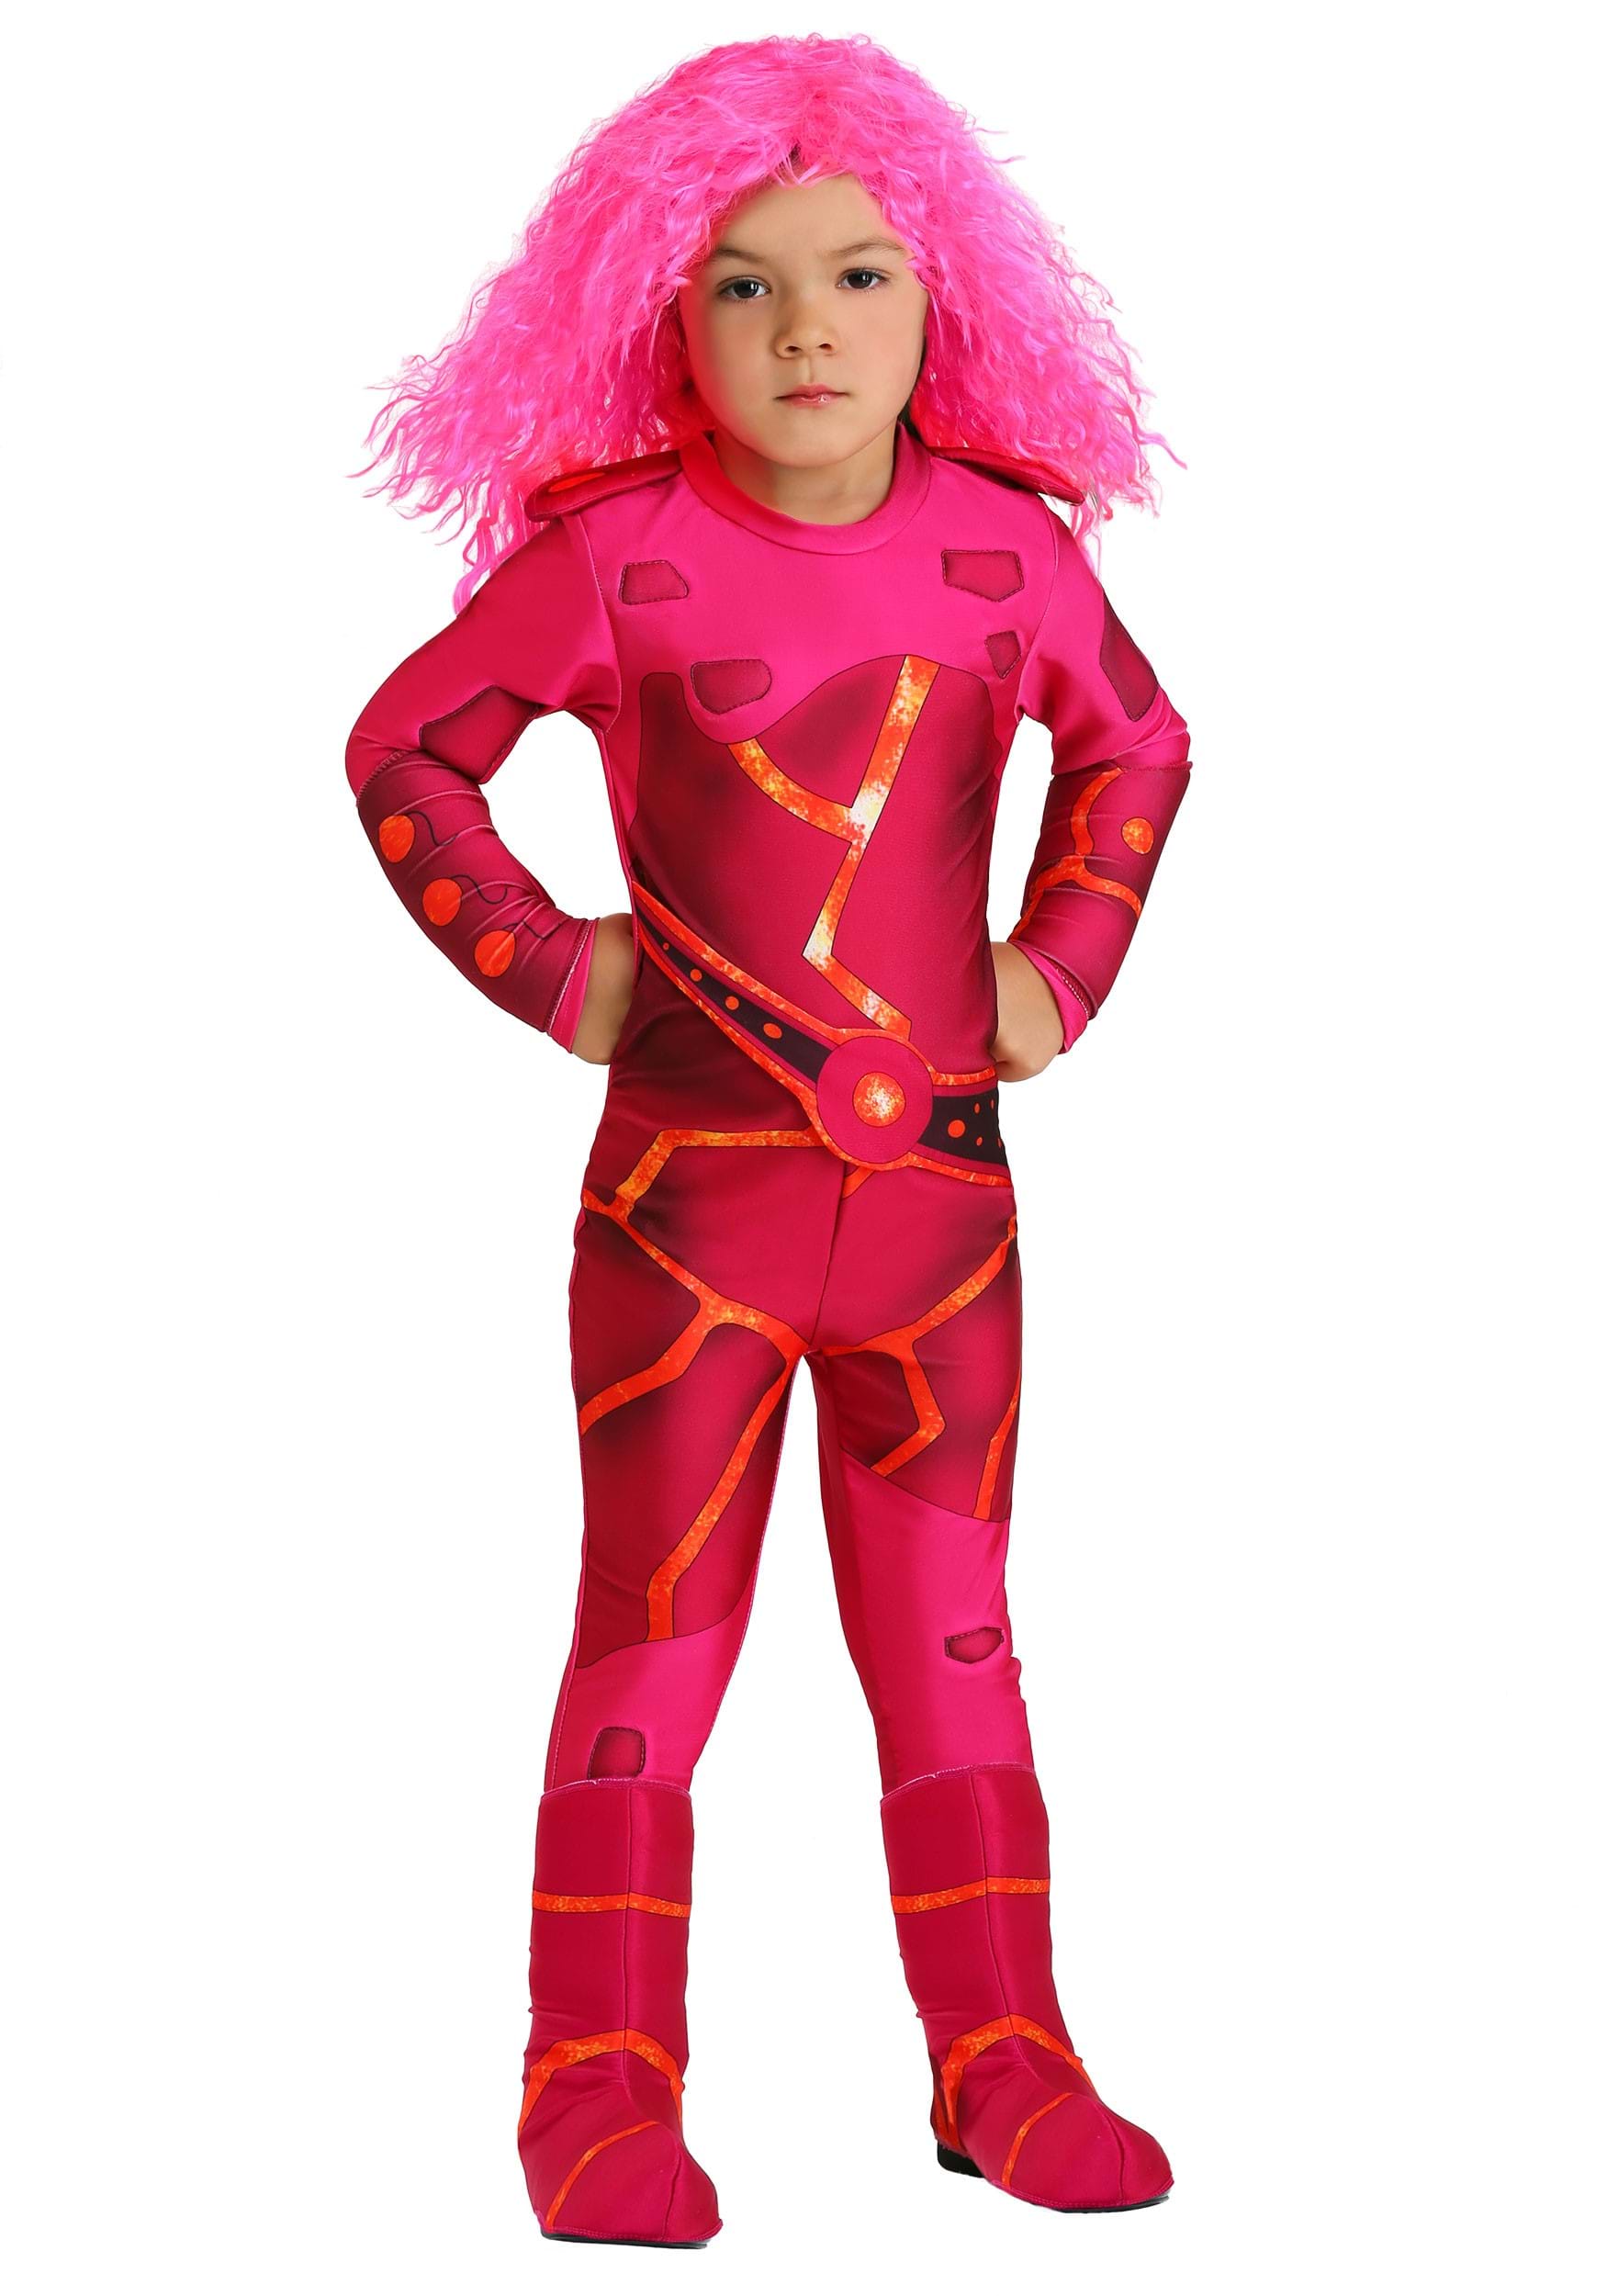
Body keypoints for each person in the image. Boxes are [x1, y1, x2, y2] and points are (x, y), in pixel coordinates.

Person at [344, 33, 1192, 2246]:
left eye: (854, 274)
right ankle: (594, 2085)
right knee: (649, 1641)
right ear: (653, 318)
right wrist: (555, 970)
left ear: (944, 303)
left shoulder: (1008, 560)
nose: (805, 326)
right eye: (740, 283)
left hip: (942, 1228)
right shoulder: (614, 562)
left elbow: (1138, 746)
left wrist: (1055, 971)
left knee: (954, 1639)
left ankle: (1003, 2055)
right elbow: (405, 753)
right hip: (679, 1222)